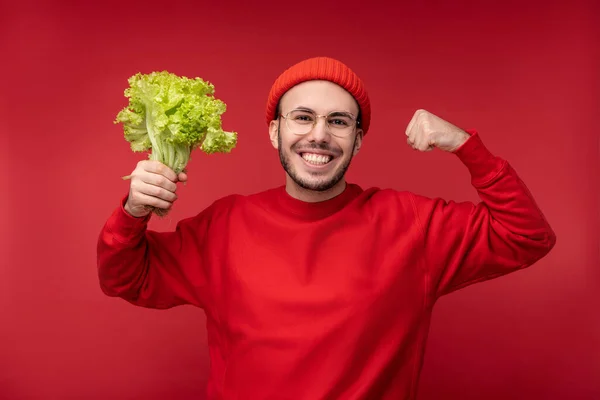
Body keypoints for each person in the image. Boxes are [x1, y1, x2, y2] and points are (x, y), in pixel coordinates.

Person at [97, 57, 556, 399]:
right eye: (302, 117)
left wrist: (464, 145)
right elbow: (125, 278)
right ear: (275, 132)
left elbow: (527, 235)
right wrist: (133, 211)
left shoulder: (413, 225)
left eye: (338, 122)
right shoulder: (225, 225)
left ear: (356, 140)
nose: (319, 135)